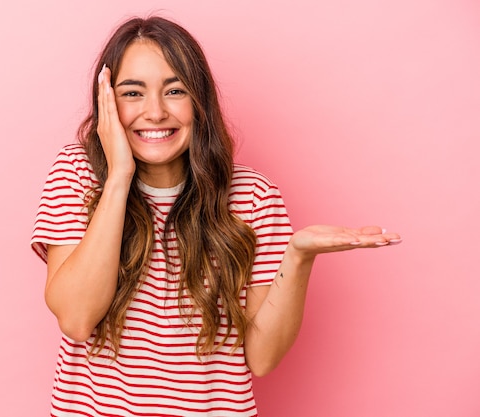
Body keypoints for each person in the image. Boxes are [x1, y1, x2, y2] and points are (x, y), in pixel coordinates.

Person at [30, 15, 401, 417]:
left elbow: (262, 359)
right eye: (133, 93)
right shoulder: (78, 175)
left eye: (174, 90)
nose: (155, 112)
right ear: (107, 101)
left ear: (199, 100)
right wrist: (119, 176)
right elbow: (77, 318)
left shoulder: (253, 197)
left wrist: (297, 256)